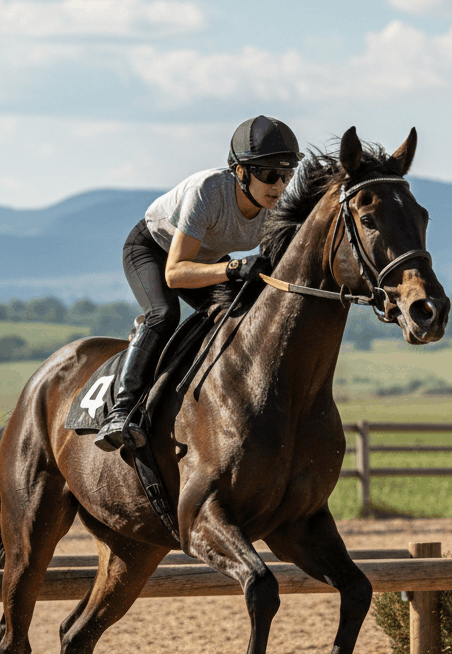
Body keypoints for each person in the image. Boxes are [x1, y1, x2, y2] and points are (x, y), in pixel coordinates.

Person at [94, 115, 304, 452]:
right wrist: (234, 267)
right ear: (240, 172)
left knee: (244, 314)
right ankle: (122, 409)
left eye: (286, 175)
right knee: (163, 314)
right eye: (269, 175)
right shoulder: (209, 191)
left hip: (205, 260)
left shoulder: (274, 209)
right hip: (154, 251)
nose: (278, 187)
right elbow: (175, 274)